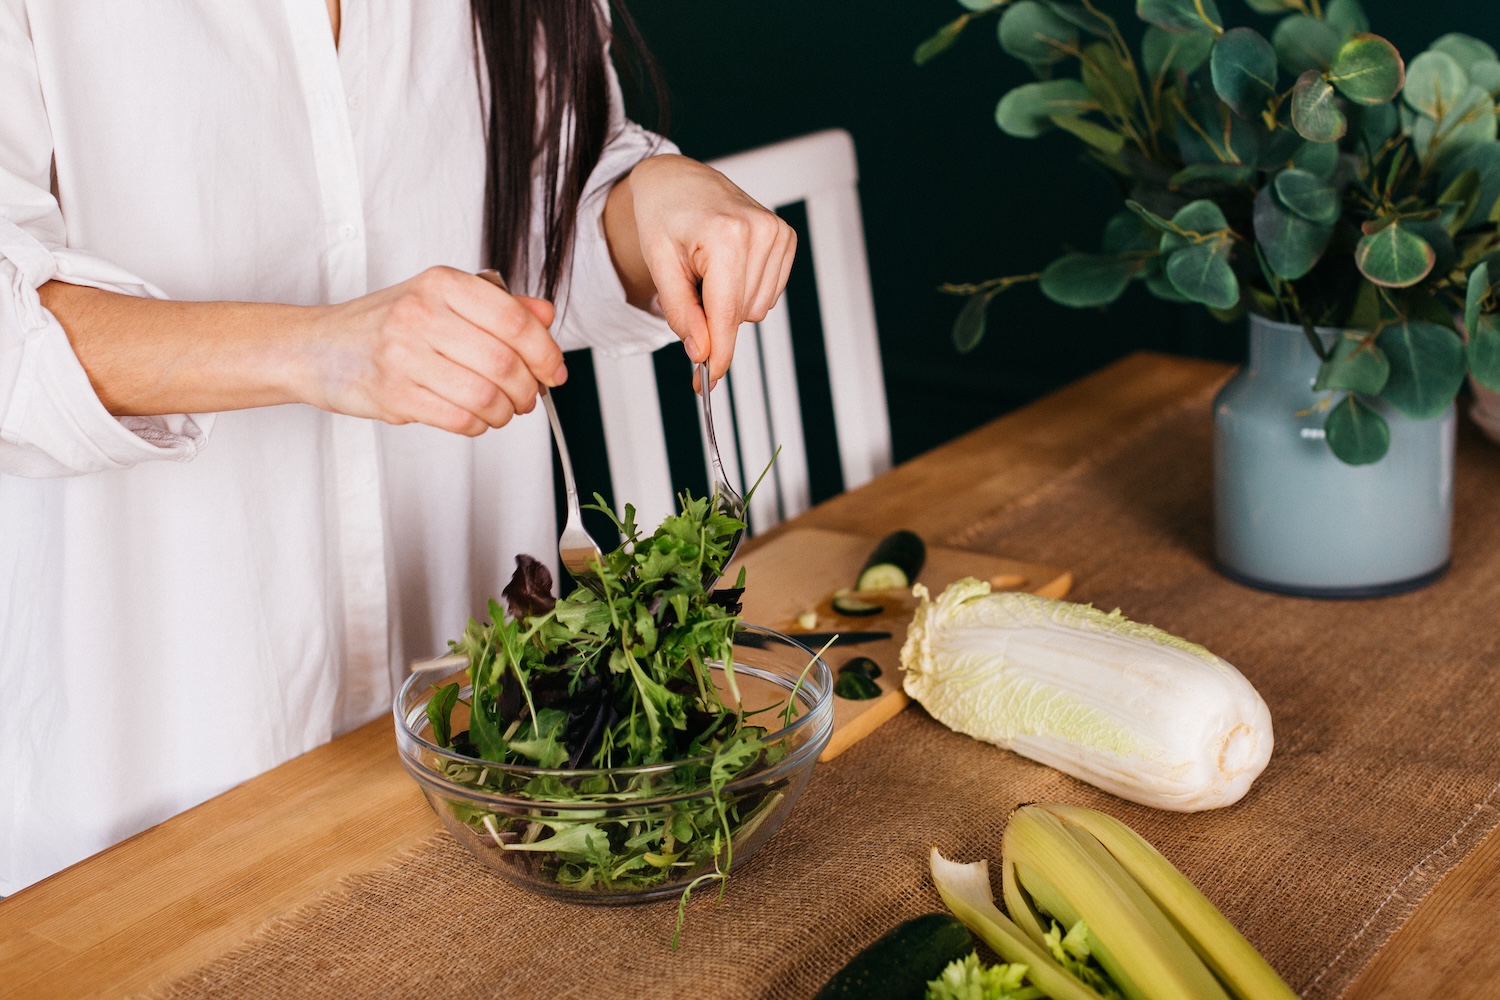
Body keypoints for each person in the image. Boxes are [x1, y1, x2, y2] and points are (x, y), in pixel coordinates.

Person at [0, 1, 795, 894]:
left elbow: (543, 215)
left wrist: (653, 195)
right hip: (151, 763)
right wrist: (318, 347)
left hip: (481, 764)